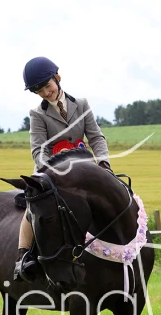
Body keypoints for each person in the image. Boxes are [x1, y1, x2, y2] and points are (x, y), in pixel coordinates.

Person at [14, 56, 112, 281]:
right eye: (39, 91)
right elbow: (38, 150)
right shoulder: (37, 114)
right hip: (51, 174)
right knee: (33, 208)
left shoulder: (82, 104)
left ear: (57, 78)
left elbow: (96, 137)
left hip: (84, 170)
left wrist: (104, 163)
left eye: (47, 86)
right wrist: (52, 171)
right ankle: (23, 257)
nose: (45, 93)